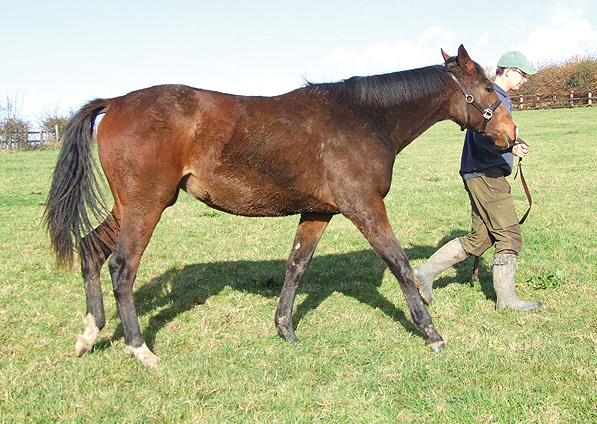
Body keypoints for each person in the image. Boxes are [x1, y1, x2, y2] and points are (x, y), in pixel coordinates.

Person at [414, 51, 542, 312]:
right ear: (508, 71)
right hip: (486, 173)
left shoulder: (499, 96)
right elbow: (482, 136)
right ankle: (506, 300)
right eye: (522, 74)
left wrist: (513, 143)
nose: (525, 80)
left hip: (481, 172)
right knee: (509, 234)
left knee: (479, 239)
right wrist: (510, 149)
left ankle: (423, 273)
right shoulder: (489, 94)